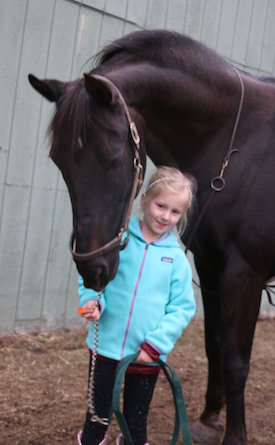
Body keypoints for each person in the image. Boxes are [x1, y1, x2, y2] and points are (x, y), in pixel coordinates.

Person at [77, 166, 197, 445]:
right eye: (161, 206)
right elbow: (93, 279)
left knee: (135, 421)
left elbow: (181, 308)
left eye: (175, 212)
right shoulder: (118, 240)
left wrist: (155, 345)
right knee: (97, 417)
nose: (166, 216)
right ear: (145, 200)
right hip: (104, 348)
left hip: (145, 356)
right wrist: (91, 303)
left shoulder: (176, 259)